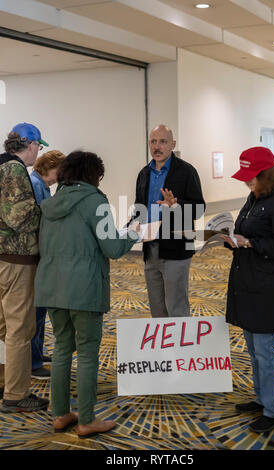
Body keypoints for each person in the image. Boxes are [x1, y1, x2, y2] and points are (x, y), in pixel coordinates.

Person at [34, 150, 140, 438]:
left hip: (52, 287)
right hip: (84, 289)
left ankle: (60, 414)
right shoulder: (96, 201)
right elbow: (113, 248)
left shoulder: (50, 203)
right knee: (89, 353)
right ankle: (87, 419)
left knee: (61, 350)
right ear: (94, 175)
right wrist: (133, 232)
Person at [222, 146, 274, 433]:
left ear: (267, 175)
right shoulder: (255, 196)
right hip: (249, 282)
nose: (247, 183)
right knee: (254, 349)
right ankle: (262, 398)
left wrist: (248, 242)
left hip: (267, 286)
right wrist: (231, 237)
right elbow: (248, 228)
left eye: (251, 177)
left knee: (265, 350)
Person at [0, 122, 50, 412]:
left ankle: (4, 382)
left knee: (4, 325)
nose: (37, 154)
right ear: (29, 145)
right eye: (38, 147)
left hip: (2, 258)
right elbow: (21, 218)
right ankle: (16, 395)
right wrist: (47, 216)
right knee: (20, 328)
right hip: (16, 261)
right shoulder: (15, 169)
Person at [132, 124, 205, 318]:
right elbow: (139, 208)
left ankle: (181, 349)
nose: (157, 146)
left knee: (176, 308)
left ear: (172, 144)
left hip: (176, 250)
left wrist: (175, 205)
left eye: (163, 142)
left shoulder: (186, 172)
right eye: (153, 141)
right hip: (150, 249)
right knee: (157, 309)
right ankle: (163, 349)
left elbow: (199, 209)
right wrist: (130, 227)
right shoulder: (144, 173)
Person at [30, 150, 65, 380]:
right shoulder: (35, 184)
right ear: (48, 166)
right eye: (56, 173)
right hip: (35, 256)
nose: (57, 178)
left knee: (41, 309)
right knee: (34, 311)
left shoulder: (42, 186)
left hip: (41, 256)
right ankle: (33, 363)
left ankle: (38, 354)